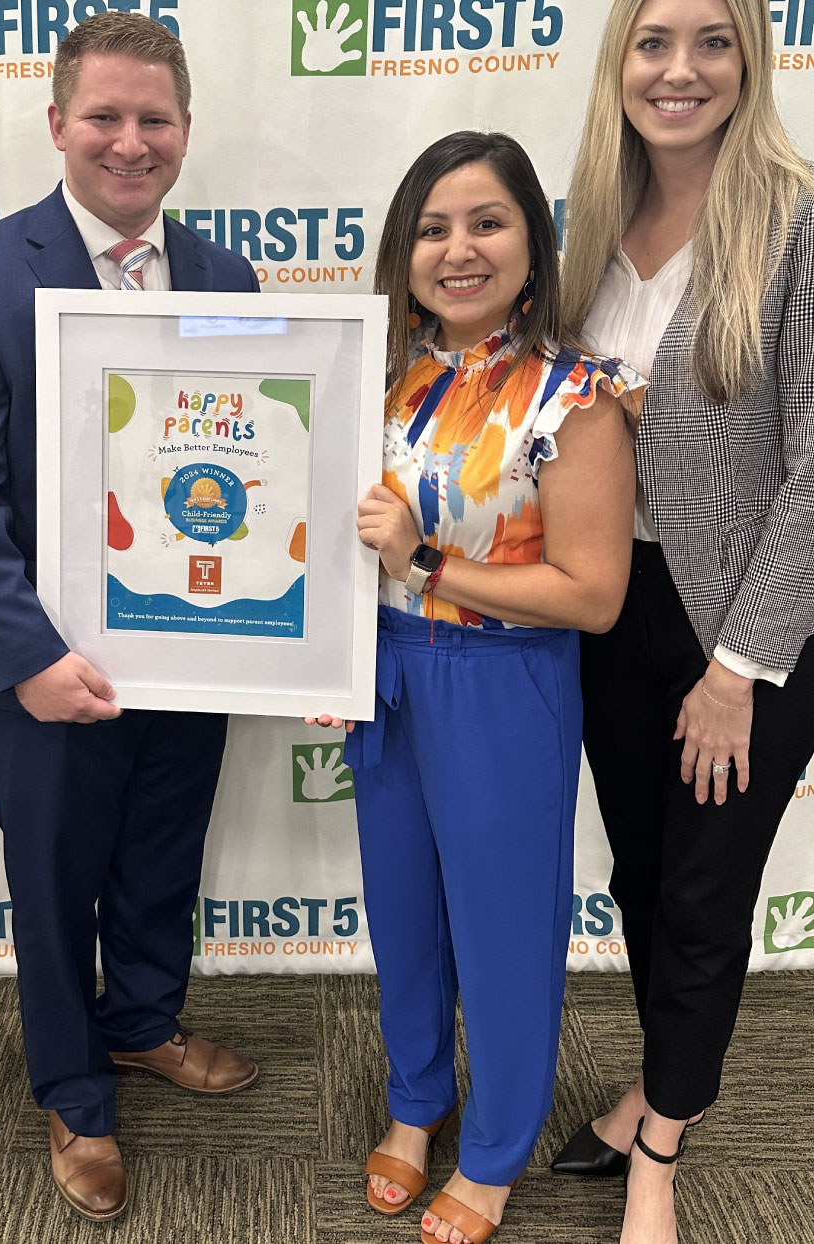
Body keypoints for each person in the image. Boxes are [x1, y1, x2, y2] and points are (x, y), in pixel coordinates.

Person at [0, 10, 260, 1225]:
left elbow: (256, 473)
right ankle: (73, 1090)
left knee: (164, 854)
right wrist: (32, 658)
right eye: (103, 116)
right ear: (57, 124)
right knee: (53, 882)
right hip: (42, 668)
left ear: (185, 131)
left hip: (191, 649)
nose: (129, 140)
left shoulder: (227, 279)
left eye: (152, 118)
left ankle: (144, 1025)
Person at [549, 0, 814, 1244]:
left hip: (743, 638)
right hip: (615, 615)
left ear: (751, 58)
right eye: (656, 41)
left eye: (711, 41)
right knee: (637, 881)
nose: (680, 70)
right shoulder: (592, 226)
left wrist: (739, 668)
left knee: (704, 899)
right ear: (622, 58)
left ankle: (661, 1151)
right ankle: (650, 1085)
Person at [315, 131, 636, 1244]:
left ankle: (495, 1150)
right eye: (433, 227)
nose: (457, 249)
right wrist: (328, 649)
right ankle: (417, 1104)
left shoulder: (575, 393)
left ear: (532, 246)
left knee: (503, 932)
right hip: (390, 677)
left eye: (486, 222)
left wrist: (427, 563)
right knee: (403, 914)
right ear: (403, 250)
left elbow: (593, 594)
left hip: (505, 684)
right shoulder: (382, 373)